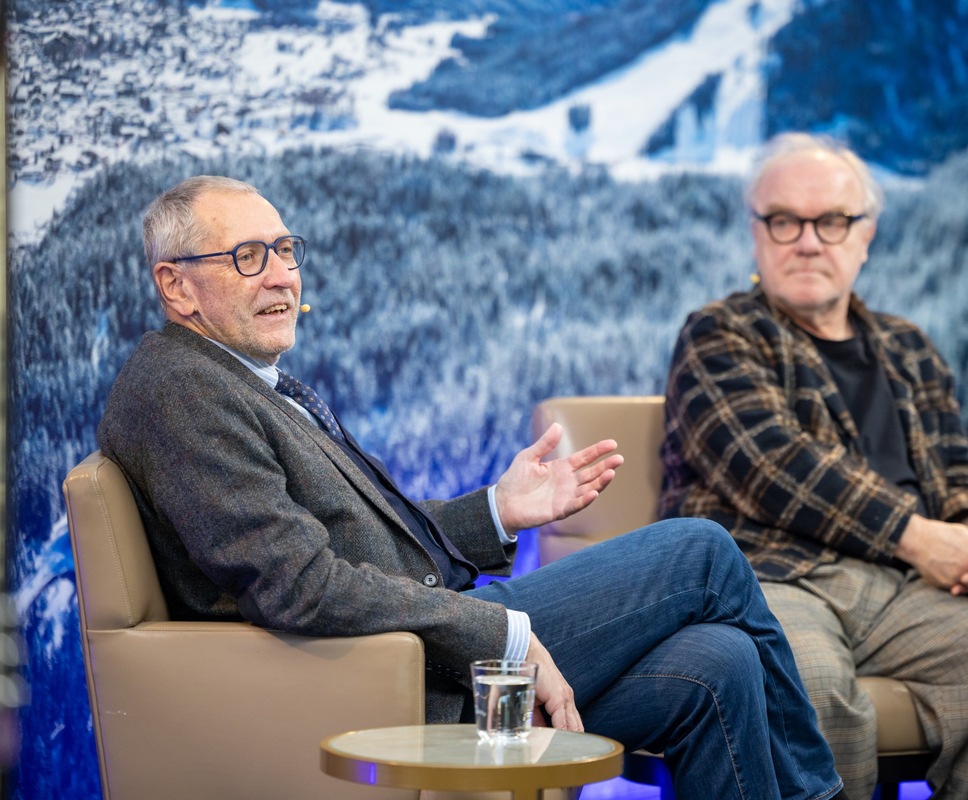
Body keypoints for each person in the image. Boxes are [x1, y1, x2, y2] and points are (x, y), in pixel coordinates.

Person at [97, 174, 845, 800]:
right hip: (398, 678)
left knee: (719, 664)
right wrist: (505, 637)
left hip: (416, 650)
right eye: (248, 257)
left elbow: (360, 541)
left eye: (286, 251)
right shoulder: (181, 390)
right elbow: (298, 585)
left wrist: (498, 510)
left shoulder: (233, 379)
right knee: (702, 552)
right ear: (176, 285)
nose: (282, 276)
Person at [658, 133, 968, 800]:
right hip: (766, 577)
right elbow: (776, 468)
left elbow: (953, 466)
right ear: (756, 232)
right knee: (815, 687)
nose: (807, 241)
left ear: (866, 235)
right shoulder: (719, 334)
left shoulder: (908, 347)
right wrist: (920, 537)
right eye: (784, 221)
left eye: (832, 221)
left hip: (895, 589)